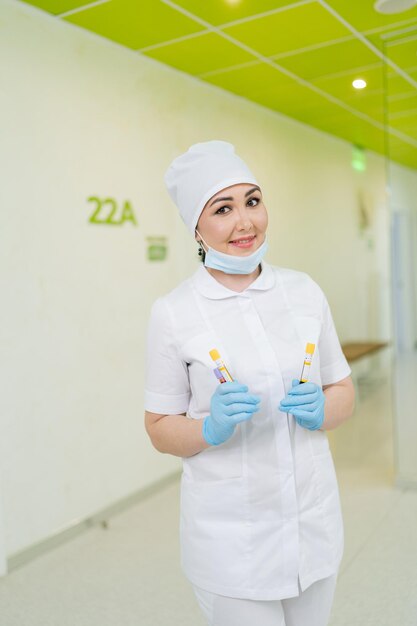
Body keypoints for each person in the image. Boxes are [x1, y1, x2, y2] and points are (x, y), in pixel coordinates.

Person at [144, 140, 355, 626]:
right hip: (231, 543)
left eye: (253, 201)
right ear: (196, 227)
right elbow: (158, 426)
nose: (246, 222)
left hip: (312, 527)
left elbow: (342, 390)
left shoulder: (304, 291)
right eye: (223, 209)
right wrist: (207, 430)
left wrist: (324, 410)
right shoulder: (174, 313)